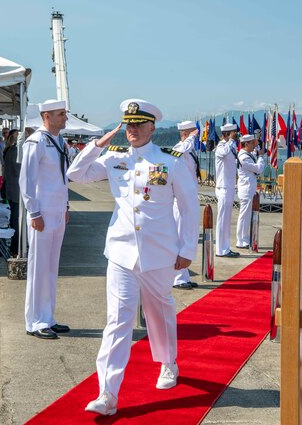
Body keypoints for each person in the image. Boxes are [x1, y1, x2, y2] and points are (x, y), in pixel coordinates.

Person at [67, 98, 199, 416]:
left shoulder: (173, 160)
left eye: (139, 124)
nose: (132, 130)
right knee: (117, 321)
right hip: (121, 252)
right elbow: (75, 173)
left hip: (160, 253)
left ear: (153, 127)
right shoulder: (114, 158)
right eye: (128, 124)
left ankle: (168, 363)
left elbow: (189, 206)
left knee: (160, 312)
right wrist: (98, 143)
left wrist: (187, 250)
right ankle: (107, 393)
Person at [19, 99, 70, 340]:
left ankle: (48, 317)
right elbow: (26, 181)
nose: (65, 118)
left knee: (51, 267)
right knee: (39, 268)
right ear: (47, 116)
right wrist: (34, 212)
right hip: (42, 213)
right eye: (61, 114)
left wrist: (66, 206)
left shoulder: (59, 141)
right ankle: (35, 321)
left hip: (58, 211)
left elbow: (62, 178)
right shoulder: (36, 141)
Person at [172, 120, 200, 290]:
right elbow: (182, 149)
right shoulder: (178, 148)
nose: (195, 137)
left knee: (187, 236)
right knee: (180, 238)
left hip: (189, 197)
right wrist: (189, 138)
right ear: (185, 133)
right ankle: (178, 278)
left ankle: (184, 275)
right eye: (192, 133)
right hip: (180, 200)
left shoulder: (189, 149)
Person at [214, 123, 240, 258]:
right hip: (223, 187)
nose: (236, 135)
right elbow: (223, 153)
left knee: (227, 220)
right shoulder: (221, 147)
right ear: (228, 134)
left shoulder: (231, 146)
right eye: (233, 133)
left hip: (229, 186)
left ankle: (225, 247)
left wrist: (231, 141)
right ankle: (220, 249)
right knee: (222, 220)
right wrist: (230, 140)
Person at [236, 134, 265, 249]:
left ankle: (244, 238)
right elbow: (258, 169)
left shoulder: (247, 154)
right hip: (246, 189)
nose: (254, 146)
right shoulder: (244, 157)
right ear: (246, 144)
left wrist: (258, 147)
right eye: (252, 144)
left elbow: (254, 154)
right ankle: (241, 240)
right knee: (244, 216)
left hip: (248, 188)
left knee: (246, 216)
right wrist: (261, 157)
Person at [3, 130, 20, 255]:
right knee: (17, 221)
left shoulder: (10, 150)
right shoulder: (16, 151)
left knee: (15, 220)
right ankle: (15, 248)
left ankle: (15, 247)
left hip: (12, 190)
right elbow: (20, 172)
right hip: (17, 191)